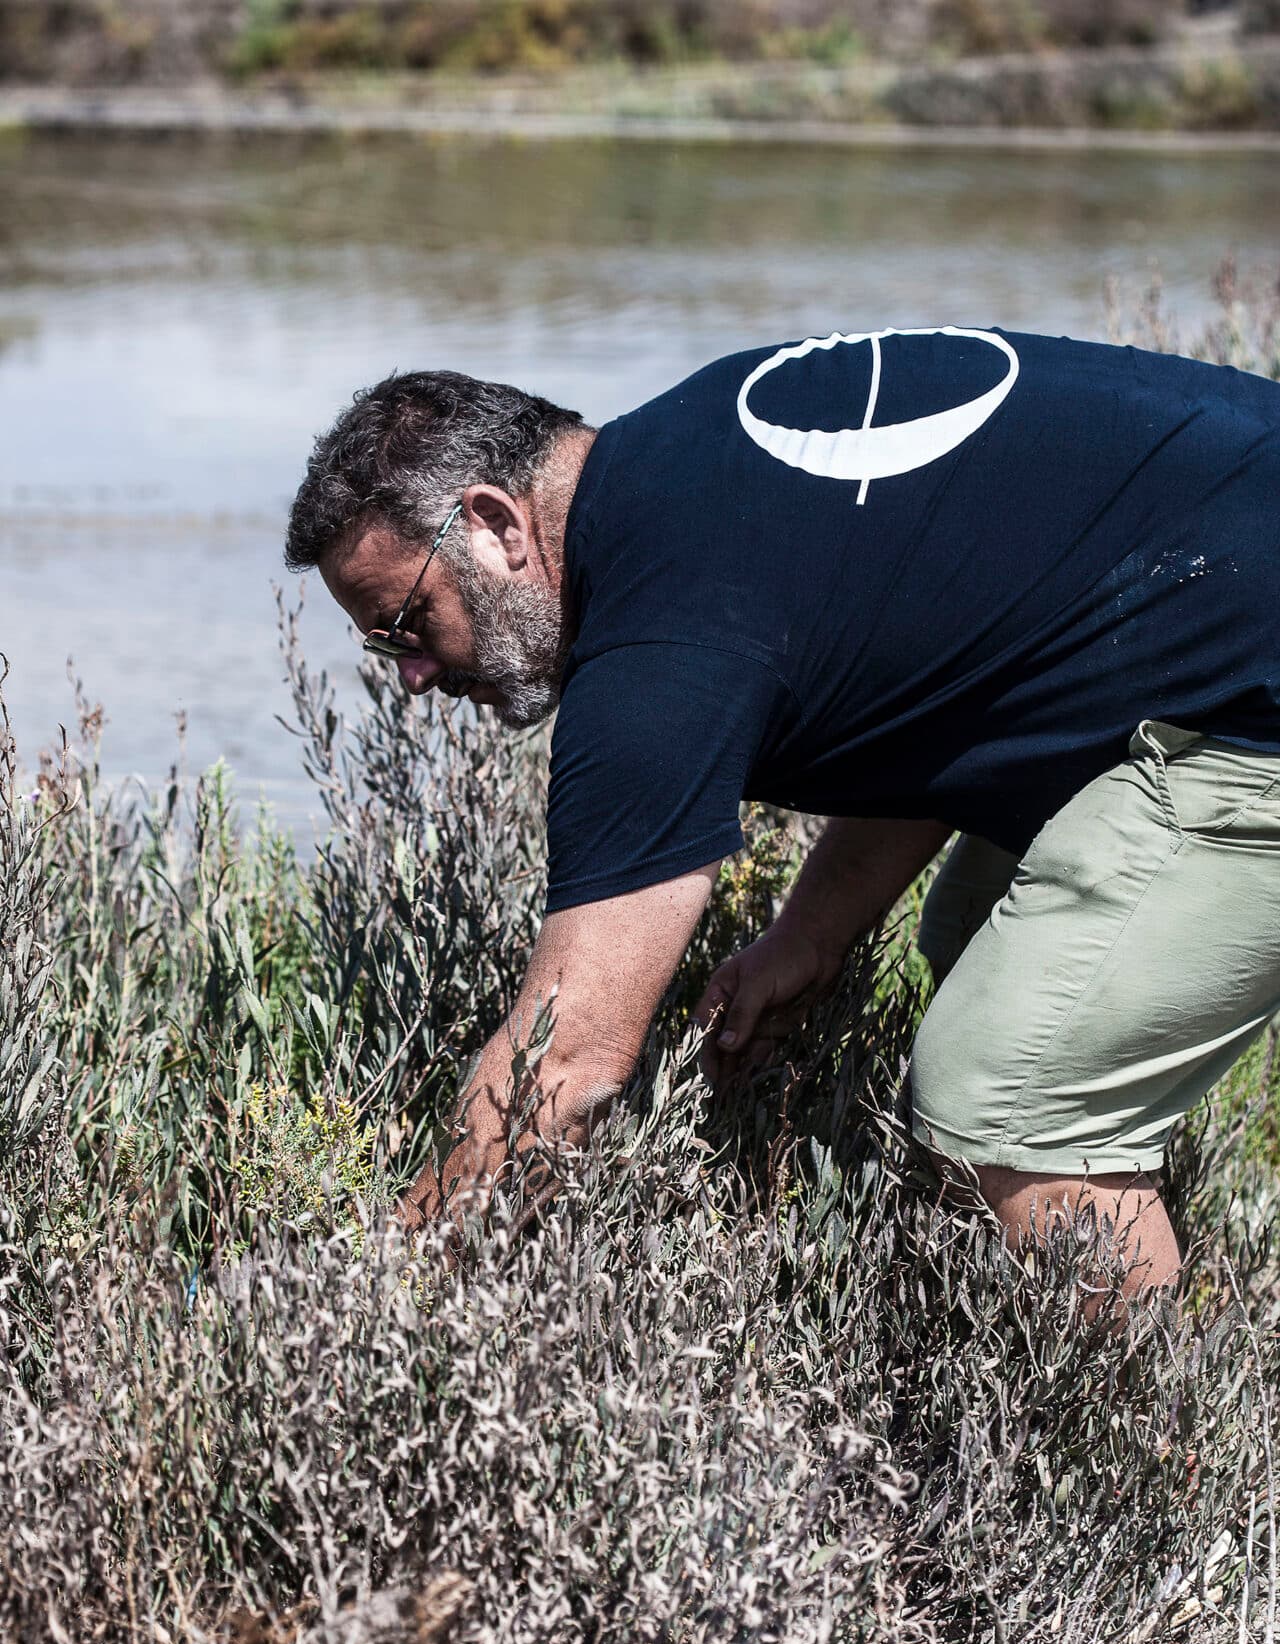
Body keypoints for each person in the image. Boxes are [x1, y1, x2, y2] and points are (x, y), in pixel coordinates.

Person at [285, 328, 1280, 1305]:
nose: (411, 676)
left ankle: (1144, 1409)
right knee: (972, 939)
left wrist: (375, 1301)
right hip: (1223, 605)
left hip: (1252, 685)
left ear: (497, 523)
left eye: (406, 623)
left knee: (1003, 1096)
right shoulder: (692, 464)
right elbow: (936, 686)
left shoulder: (657, 649)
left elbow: (568, 1061)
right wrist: (811, 934)